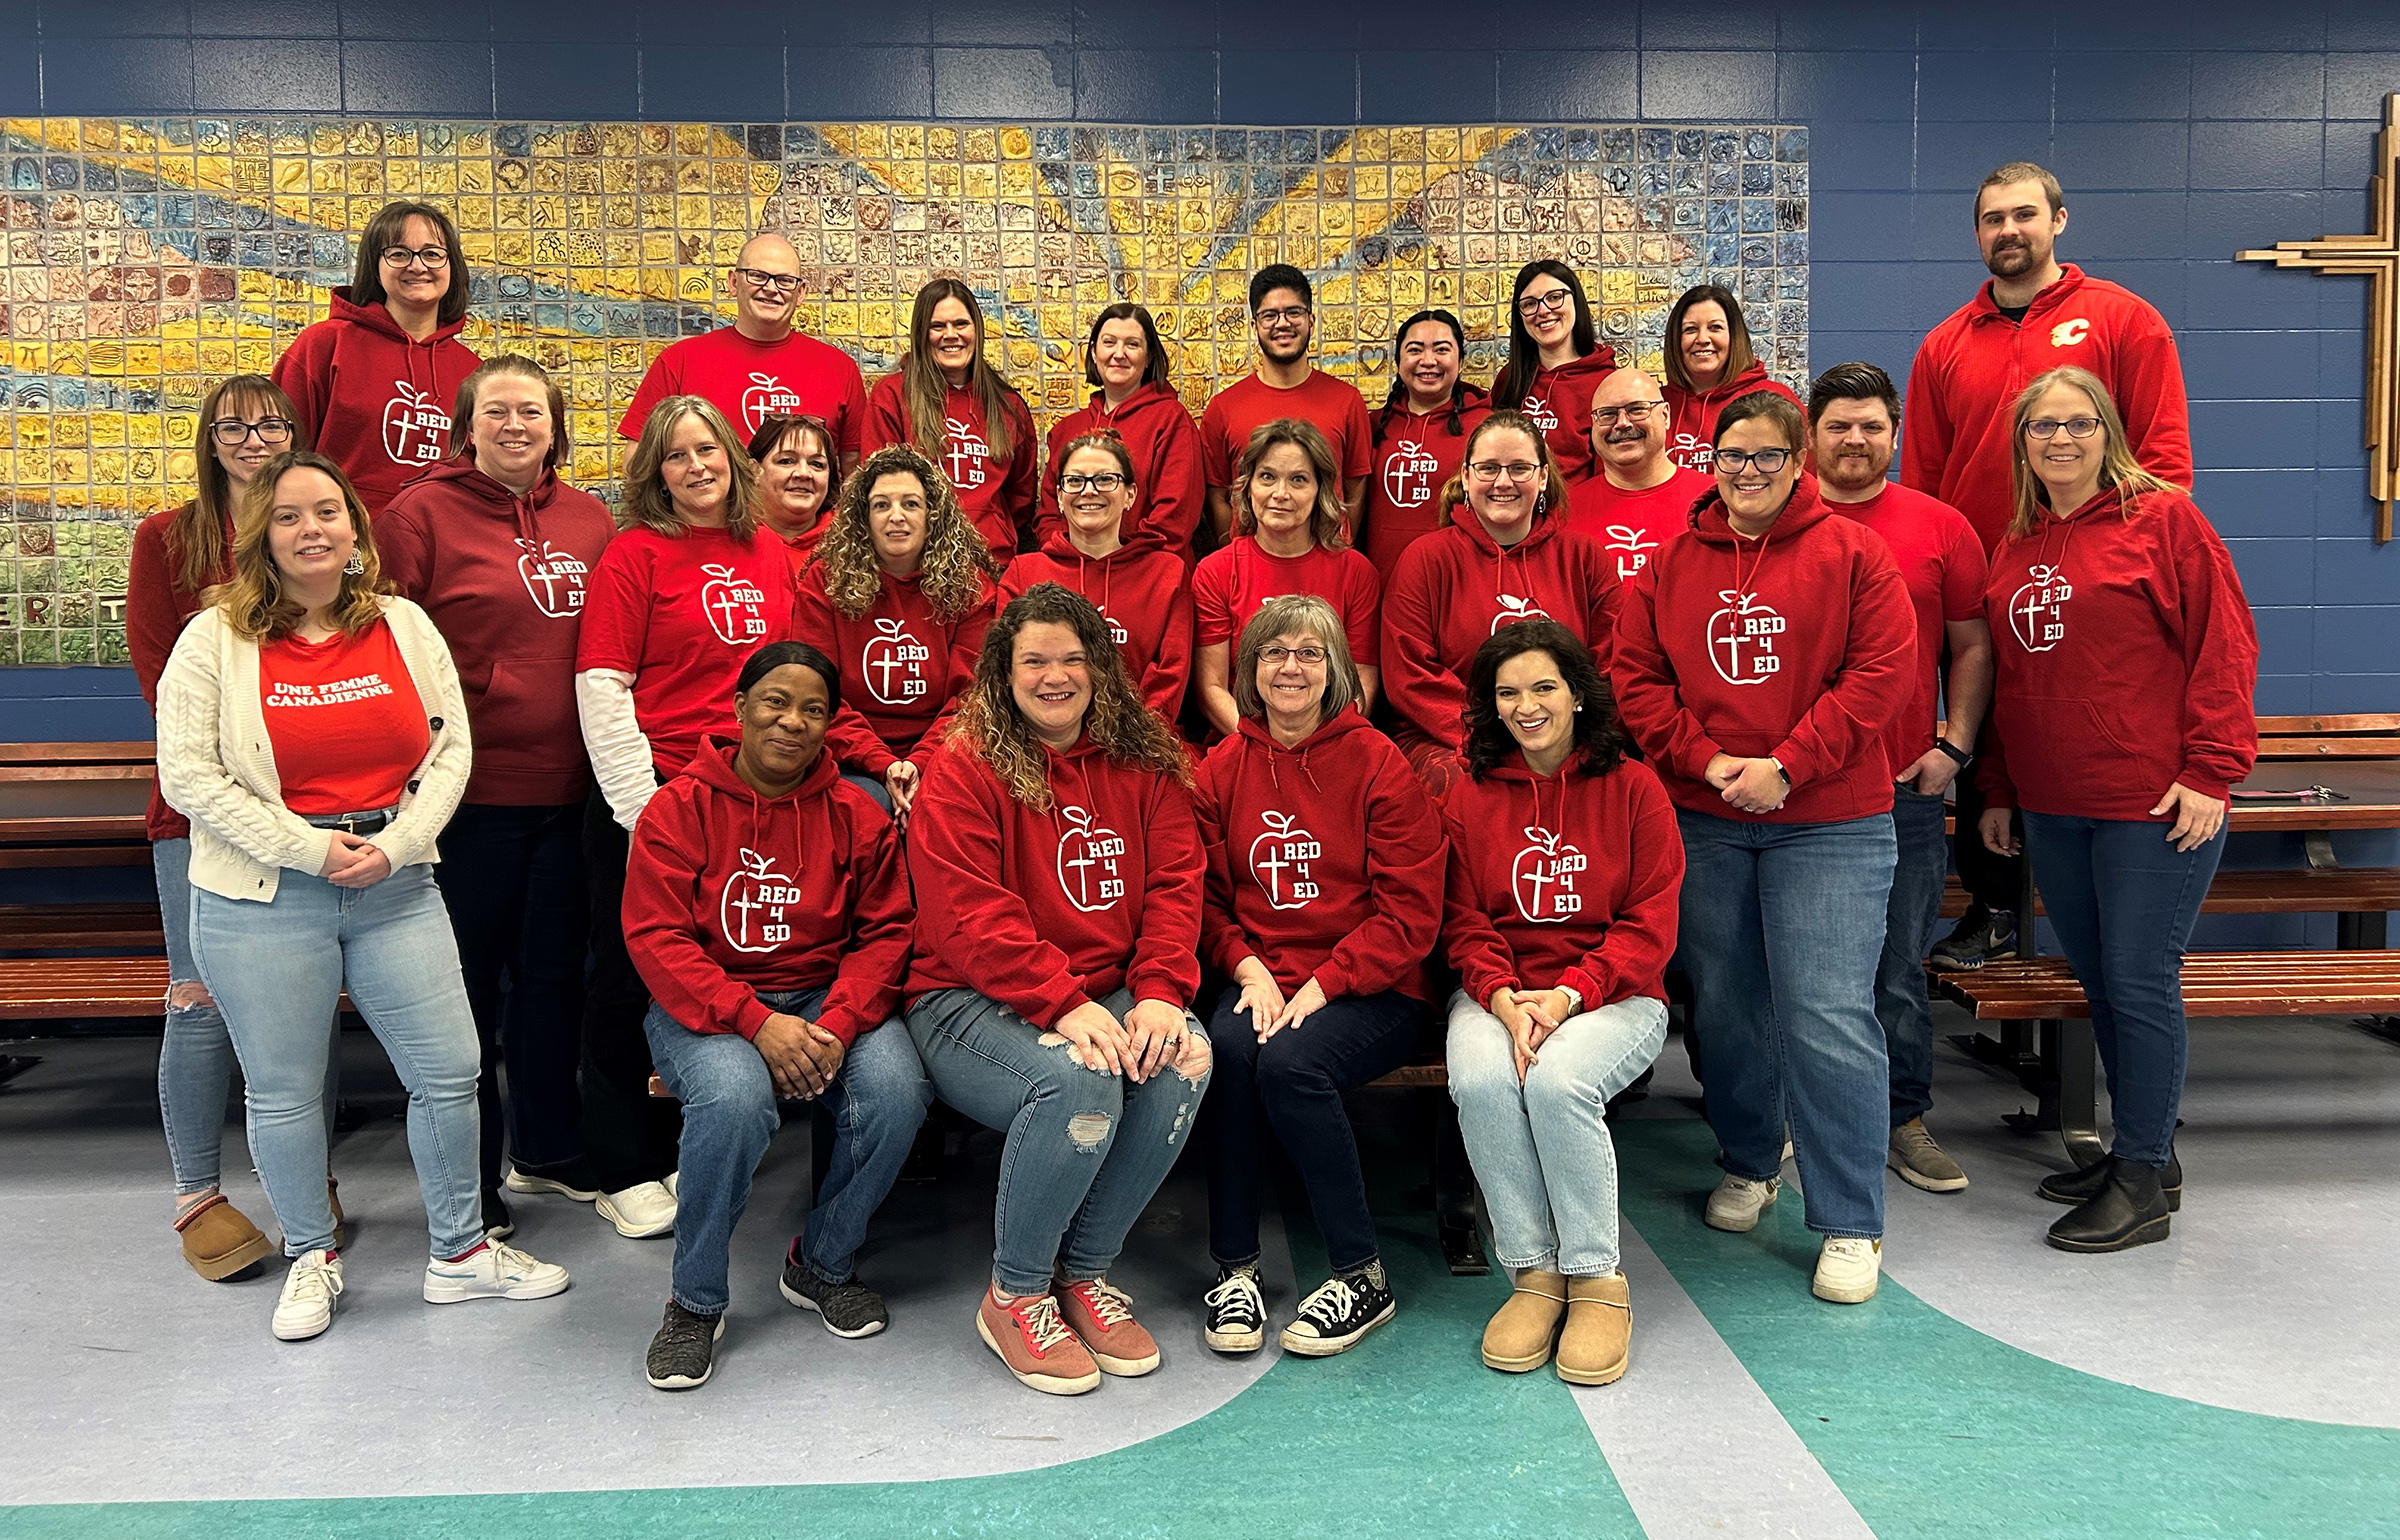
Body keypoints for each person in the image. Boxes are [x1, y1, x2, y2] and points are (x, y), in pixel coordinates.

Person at [156, 449, 571, 1342]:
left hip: (396, 882)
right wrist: (308, 848)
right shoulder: (214, 638)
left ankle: (460, 1255)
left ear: (355, 529)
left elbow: (451, 749)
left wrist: (400, 845)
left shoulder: (405, 624)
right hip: (263, 895)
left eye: (329, 514)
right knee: (285, 1090)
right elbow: (188, 776)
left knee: (450, 1070)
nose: (312, 530)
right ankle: (312, 1255)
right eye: (290, 516)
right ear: (261, 533)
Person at [1609, 391, 1916, 1306]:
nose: (1749, 473)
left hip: (1828, 819)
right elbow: (1637, 678)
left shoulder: (1855, 554)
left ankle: (1852, 1217)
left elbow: (1882, 674)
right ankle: (1750, 1160)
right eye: (1734, 457)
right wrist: (1705, 761)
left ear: (1799, 464)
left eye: (1768, 458)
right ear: (1714, 462)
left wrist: (1788, 765)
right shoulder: (1671, 565)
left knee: (1825, 1011)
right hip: (1703, 814)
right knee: (1727, 1005)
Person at [904, 583, 1214, 1397]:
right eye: (1034, 660)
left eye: (1073, 659)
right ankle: (1015, 1293)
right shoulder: (964, 766)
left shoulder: (1146, 760)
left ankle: (1084, 1275)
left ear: (1101, 670)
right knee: (1079, 1079)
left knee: (1184, 1055)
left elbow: (1178, 886)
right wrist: (1066, 1005)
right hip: (967, 999)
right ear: (1002, 673)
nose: (1055, 676)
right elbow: (969, 917)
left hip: (1105, 989)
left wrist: (1157, 993)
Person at [1977, 365, 2256, 1253]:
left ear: (2108, 432)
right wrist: (2001, 790)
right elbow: (2013, 684)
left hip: (2151, 805)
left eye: (2078, 423)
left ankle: (2141, 1176)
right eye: (2041, 427)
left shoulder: (2163, 520)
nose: (2060, 439)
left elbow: (2225, 643)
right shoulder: (2016, 541)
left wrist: (2213, 770)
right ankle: (2147, 1151)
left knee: (2138, 981)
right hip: (2056, 806)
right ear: (2022, 444)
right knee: (2100, 983)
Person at [1905, 161, 2193, 974]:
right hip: (1981, 593)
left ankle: (2105, 935)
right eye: (1993, 218)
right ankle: (1993, 907)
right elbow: (1924, 482)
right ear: (1977, 233)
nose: (2008, 231)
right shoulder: (1945, 344)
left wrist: (2109, 555)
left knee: (2073, 735)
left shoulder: (2123, 319)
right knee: (1979, 741)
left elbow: (2164, 459)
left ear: (2059, 221)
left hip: (2084, 582)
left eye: (2024, 215)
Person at [626, 642, 930, 1390]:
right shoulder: (677, 808)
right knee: (732, 1100)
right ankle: (694, 1302)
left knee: (895, 1088)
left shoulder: (854, 815)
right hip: (707, 1004)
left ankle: (822, 1263)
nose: (793, 721)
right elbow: (656, 938)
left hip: (826, 1000)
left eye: (814, 710)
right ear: (738, 707)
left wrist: (842, 1021)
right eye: (775, 702)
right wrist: (755, 1021)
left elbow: (887, 929)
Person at [378, 355, 617, 1237]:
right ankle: (469, 1180)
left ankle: (547, 1149)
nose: (516, 425)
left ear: (555, 427)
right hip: (467, 804)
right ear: (466, 427)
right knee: (468, 990)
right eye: (497, 412)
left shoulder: (590, 519)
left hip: (569, 793)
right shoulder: (417, 516)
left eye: (533, 412)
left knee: (555, 979)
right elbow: (383, 641)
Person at [129, 376, 342, 1280]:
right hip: (201, 817)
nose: (253, 439)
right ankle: (196, 1194)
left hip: (312, 816)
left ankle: (307, 1177)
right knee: (199, 998)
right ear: (209, 438)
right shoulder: (167, 540)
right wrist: (247, 789)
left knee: (307, 1006)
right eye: (233, 425)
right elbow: (158, 684)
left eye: (271, 424)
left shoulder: (319, 538)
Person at [1193, 596, 1445, 1360]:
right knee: (1228, 1050)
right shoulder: (1222, 766)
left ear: (1335, 668)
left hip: (1375, 985)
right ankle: (1235, 1269)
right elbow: (1198, 896)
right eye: (1275, 653)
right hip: (1263, 977)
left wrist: (1326, 981)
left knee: (1296, 1062)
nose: (1291, 667)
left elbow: (1410, 914)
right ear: (1251, 669)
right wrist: (1246, 965)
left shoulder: (1377, 761)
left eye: (1309, 653)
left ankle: (1361, 1272)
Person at [572, 395, 798, 1240]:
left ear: (732, 459)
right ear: (654, 472)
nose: (695, 467)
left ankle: (687, 1143)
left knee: (709, 973)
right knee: (627, 973)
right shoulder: (635, 554)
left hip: (751, 794)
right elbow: (603, 684)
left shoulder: (768, 549)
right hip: (658, 794)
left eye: (708, 450)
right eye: (675, 456)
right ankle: (623, 1165)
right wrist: (644, 808)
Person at [1440, 622, 1681, 1385]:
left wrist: (1572, 993)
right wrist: (1505, 998)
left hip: (1615, 995)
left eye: (1544, 687)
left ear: (1579, 693)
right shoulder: (1470, 792)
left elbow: (1651, 923)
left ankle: (1597, 1277)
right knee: (1481, 1080)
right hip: (1501, 992)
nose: (1526, 705)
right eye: (1508, 692)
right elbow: (1463, 917)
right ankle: (1534, 1273)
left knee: (1557, 1082)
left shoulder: (1635, 787)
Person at [1807, 363, 1992, 1195]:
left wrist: (1953, 747)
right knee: (1790, 971)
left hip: (1900, 791)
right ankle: (1786, 1120)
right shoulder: (1769, 518)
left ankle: (1901, 1118)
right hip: (1792, 794)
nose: (1855, 439)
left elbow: (1973, 645)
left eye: (1870, 426)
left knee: (1894, 969)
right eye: (1839, 424)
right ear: (1810, 434)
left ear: (1893, 433)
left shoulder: (1940, 526)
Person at [1381, 412, 1616, 775]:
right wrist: (1492, 732)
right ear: (1465, 477)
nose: (1503, 482)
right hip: (1450, 737)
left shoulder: (1584, 557)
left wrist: (1557, 733)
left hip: (1564, 735)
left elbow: (1611, 658)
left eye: (1519, 468)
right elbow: (1409, 675)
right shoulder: (1425, 559)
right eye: (1488, 468)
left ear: (1542, 477)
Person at [793, 444, 997, 824]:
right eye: (882, 505)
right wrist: (882, 763)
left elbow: (971, 698)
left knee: (943, 807)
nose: (896, 517)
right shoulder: (825, 582)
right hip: (847, 755)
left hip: (946, 750)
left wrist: (919, 763)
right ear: (863, 517)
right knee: (866, 806)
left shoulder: (971, 587)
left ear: (933, 515)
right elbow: (814, 692)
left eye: (911, 504)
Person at [271, 200, 478, 510]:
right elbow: (276, 456)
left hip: (445, 546)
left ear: (453, 267)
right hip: (342, 546)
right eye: (398, 254)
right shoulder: (325, 346)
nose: (418, 266)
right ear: (375, 267)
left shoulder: (475, 373)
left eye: (433, 254)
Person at [1193, 421, 1382, 738]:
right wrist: (1265, 744)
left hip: (1332, 741)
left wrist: (1320, 743)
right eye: (1267, 477)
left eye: (1298, 480)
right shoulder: (1216, 571)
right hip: (1241, 739)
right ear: (1248, 485)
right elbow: (1212, 688)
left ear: (1320, 490)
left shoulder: (1357, 572)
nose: (1280, 493)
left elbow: (1361, 683)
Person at [616, 232, 867, 464]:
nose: (770, 288)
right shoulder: (679, 361)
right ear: (734, 282)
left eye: (785, 280)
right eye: (757, 276)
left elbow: (853, 469)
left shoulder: (839, 369)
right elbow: (635, 460)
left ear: (800, 293)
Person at [1002, 431, 1194, 722]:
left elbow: (1170, 678)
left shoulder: (1167, 573)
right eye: (1075, 481)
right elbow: (1008, 670)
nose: (1088, 491)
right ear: (1060, 497)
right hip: (1043, 741)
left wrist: (1132, 740)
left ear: (1130, 495)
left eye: (1105, 479)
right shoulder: (1023, 572)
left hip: (1139, 742)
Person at [865, 279, 1038, 562]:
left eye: (961, 324)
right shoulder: (893, 396)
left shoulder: (1008, 406)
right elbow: (876, 486)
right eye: (937, 326)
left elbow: (1021, 498)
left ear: (976, 331)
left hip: (992, 562)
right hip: (918, 564)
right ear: (922, 333)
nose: (950, 335)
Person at [1200, 266, 1373, 542]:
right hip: (1249, 571)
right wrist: (1236, 552)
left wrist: (1338, 546)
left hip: (1327, 567)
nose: (1283, 323)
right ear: (1254, 326)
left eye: (1294, 312)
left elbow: (1354, 488)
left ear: (1311, 321)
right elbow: (1218, 494)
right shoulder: (1223, 408)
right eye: (1270, 315)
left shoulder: (1347, 402)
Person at [1038, 303, 1206, 561]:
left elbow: (1174, 520)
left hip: (1149, 573)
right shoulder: (1065, 430)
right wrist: (1072, 559)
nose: (1119, 353)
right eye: (1109, 342)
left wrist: (1119, 564)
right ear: (1094, 352)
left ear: (1149, 356)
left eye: (1132, 344)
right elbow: (1049, 515)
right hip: (1074, 574)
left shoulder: (1172, 421)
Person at [1361, 309, 1491, 578]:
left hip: (1458, 579)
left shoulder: (1487, 428)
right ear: (1398, 361)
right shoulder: (1372, 425)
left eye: (1441, 350)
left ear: (1461, 361)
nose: (1428, 360)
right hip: (1379, 578)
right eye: (1415, 349)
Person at [1565, 367, 1713, 582]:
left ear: (1665, 416)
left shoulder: (1712, 500)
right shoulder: (1565, 511)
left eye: (1636, 410)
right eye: (1607, 414)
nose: (1622, 423)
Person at [1489, 261, 1615, 486]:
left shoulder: (1606, 382)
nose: (1544, 311)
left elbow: (1608, 476)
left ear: (1575, 300)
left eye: (1555, 297)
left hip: (1577, 515)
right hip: (1514, 514)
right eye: (1529, 304)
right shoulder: (1509, 379)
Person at [1658, 285, 1801, 474]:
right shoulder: (1655, 406)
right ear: (1675, 340)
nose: (1702, 338)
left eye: (1715, 327)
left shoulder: (1774, 399)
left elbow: (1805, 477)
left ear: (1734, 336)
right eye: (1690, 329)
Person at [748, 413, 840, 573]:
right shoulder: (727, 536)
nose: (804, 473)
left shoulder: (853, 543)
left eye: (817, 464)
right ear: (753, 470)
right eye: (787, 461)